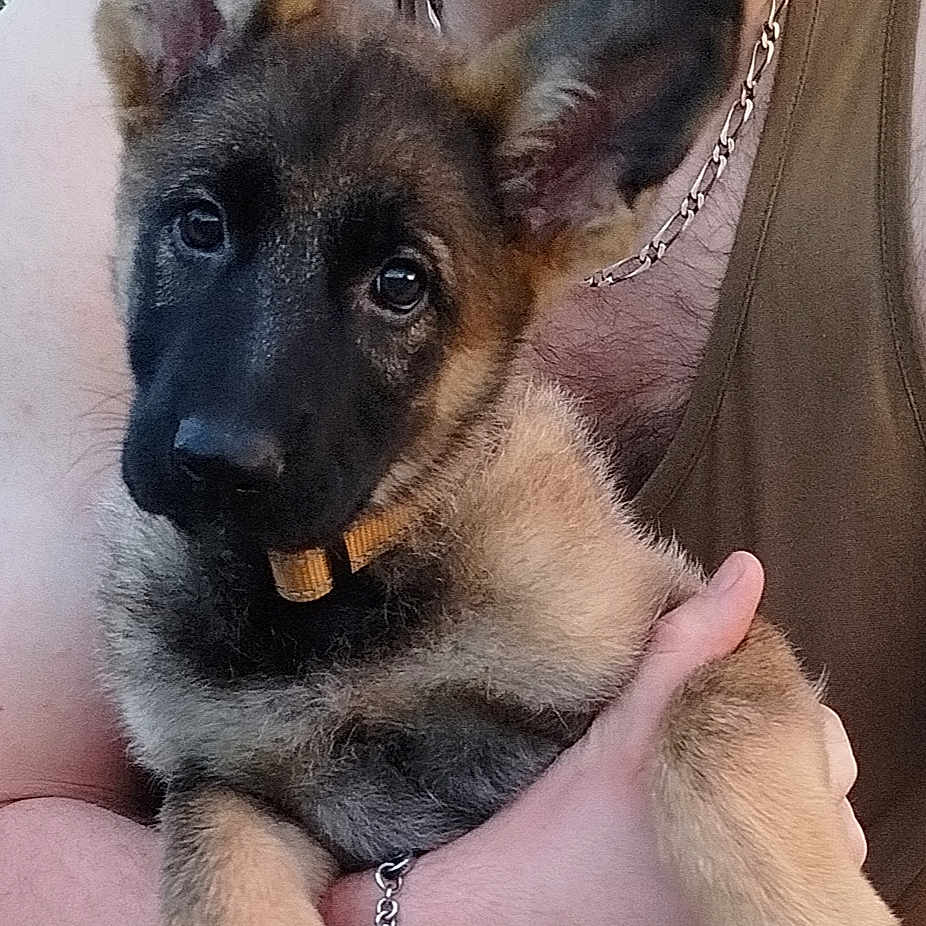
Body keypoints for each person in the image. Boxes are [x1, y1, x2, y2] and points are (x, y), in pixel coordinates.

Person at [0, 1, 920, 925]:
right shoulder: (121, 85)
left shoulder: (530, 560)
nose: (239, 429)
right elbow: (32, 830)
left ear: (561, 187)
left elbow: (718, 672)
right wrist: (471, 901)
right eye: (201, 230)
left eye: (396, 286)